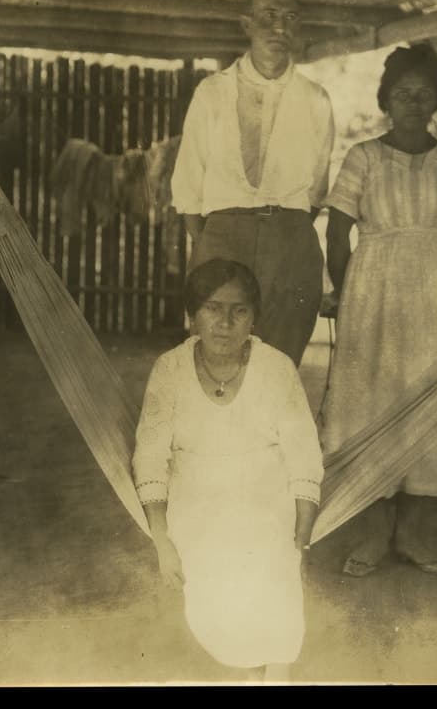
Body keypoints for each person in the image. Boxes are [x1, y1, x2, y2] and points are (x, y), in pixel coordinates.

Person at [321, 45, 437, 578]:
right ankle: (372, 534)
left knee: (427, 405)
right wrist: (352, 296)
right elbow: (338, 231)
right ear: (386, 100)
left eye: (424, 93)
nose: (414, 103)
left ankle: (415, 536)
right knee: (370, 406)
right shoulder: (363, 157)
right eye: (403, 93)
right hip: (374, 292)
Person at [132, 259, 324, 682]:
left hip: (265, 500)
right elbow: (149, 458)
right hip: (197, 507)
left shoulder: (276, 368)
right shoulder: (170, 369)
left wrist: (302, 530)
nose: (224, 322)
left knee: (274, 587)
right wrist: (163, 542)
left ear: (254, 318)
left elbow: (303, 451)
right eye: (212, 308)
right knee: (220, 614)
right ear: (192, 316)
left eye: (239, 310)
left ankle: (275, 674)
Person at [171, 0, 335, 367]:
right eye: (269, 16)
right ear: (247, 24)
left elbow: (315, 191)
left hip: (291, 244)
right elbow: (188, 190)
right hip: (223, 239)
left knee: (278, 367)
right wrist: (214, 248)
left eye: (290, 18)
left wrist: (284, 234)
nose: (280, 28)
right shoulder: (212, 92)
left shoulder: (316, 100)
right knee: (215, 363)